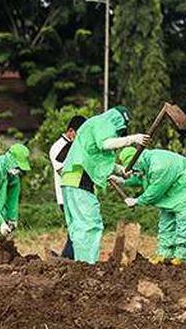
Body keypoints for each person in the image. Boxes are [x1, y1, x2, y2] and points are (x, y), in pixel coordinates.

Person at [60, 107, 148, 263]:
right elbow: (105, 144)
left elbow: (95, 156)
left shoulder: (92, 125)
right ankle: (87, 266)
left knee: (78, 228)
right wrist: (132, 139)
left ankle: (80, 265)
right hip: (80, 179)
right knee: (90, 225)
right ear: (118, 122)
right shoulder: (104, 122)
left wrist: (120, 170)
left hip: (70, 180)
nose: (117, 134)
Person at [112, 147, 186, 265]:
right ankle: (164, 254)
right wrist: (122, 181)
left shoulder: (158, 165)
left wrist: (137, 201)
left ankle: (181, 256)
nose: (134, 171)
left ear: (136, 161)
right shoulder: (146, 162)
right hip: (172, 190)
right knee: (166, 221)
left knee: (185, 221)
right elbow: (141, 177)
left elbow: (154, 192)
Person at [49, 115, 87, 259]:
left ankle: (69, 259)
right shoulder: (58, 147)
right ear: (71, 131)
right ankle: (67, 259)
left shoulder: (77, 145)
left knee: (78, 229)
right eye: (80, 133)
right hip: (66, 195)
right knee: (76, 229)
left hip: (79, 193)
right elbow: (62, 170)